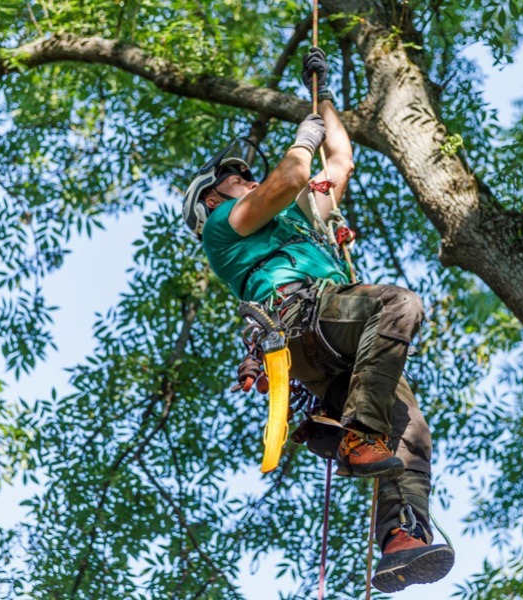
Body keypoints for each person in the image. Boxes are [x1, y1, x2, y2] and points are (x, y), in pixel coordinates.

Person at [181, 47, 454, 593]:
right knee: (396, 304)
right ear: (212, 197)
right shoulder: (223, 228)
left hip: (336, 332)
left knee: (413, 429)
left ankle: (400, 539)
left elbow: (339, 162)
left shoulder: (298, 221)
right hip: (302, 319)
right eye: (237, 178)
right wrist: (300, 140)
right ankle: (358, 433)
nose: (247, 179)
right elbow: (292, 173)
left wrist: (322, 97)